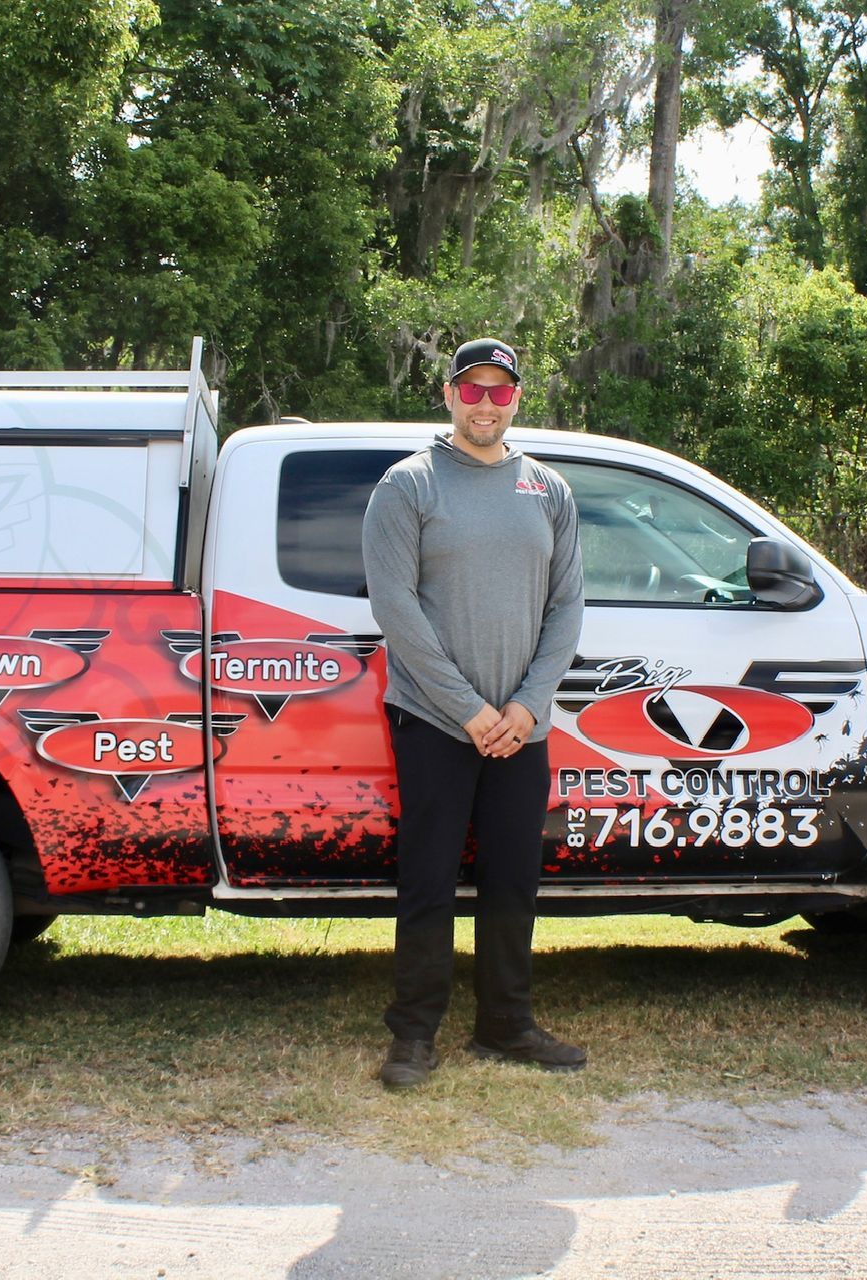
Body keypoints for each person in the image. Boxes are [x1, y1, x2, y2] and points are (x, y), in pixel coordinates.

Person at [361, 336, 586, 1090]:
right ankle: (414, 1034)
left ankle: (506, 1024)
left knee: (513, 877)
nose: (485, 403)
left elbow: (567, 607)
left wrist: (524, 708)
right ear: (448, 395)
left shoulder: (548, 491)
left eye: (500, 391)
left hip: (523, 728)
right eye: (472, 389)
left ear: (517, 398)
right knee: (427, 876)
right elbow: (395, 608)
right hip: (432, 719)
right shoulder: (408, 485)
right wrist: (468, 712)